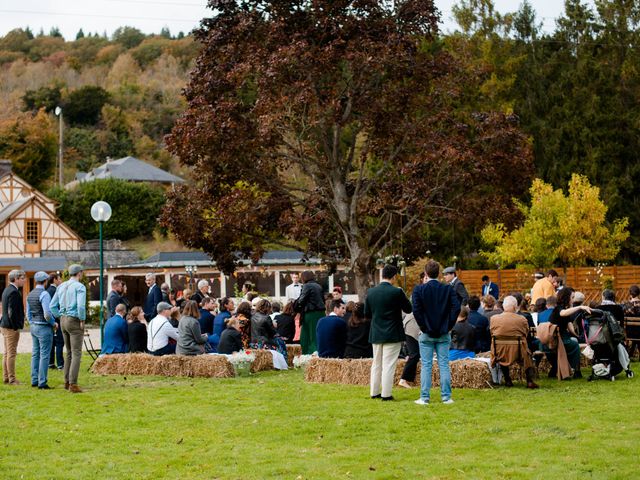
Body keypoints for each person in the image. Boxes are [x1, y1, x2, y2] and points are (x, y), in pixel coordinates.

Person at [412, 260, 460, 405]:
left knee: (426, 365)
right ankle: (446, 397)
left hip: (427, 332)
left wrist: (423, 327)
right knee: (444, 364)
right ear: (439, 273)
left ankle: (424, 397)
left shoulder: (419, 290)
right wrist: (449, 325)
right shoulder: (447, 289)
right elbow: (456, 308)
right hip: (443, 332)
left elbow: (416, 311)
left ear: (426, 273)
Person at [366, 264, 412, 401]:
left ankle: (374, 392)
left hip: (376, 332)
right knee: (388, 365)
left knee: (376, 363)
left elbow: (366, 313)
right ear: (393, 277)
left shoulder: (370, 292)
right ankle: (386, 394)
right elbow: (409, 309)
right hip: (392, 332)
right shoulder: (397, 292)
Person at [50, 264, 86, 393]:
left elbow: (52, 305)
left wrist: (59, 316)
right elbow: (81, 306)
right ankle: (73, 384)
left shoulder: (61, 286)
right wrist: (82, 319)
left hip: (63, 319)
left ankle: (66, 381)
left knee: (69, 352)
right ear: (80, 273)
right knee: (76, 353)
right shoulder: (80, 287)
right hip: (74, 319)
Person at [489, 296, 539, 388]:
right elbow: (525, 333)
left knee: (503, 352)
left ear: (503, 306)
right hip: (519, 352)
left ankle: (508, 380)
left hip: (500, 351)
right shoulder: (522, 319)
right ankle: (529, 381)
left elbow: (492, 332)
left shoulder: (494, 319)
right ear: (515, 306)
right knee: (526, 351)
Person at [550, 287, 589, 378]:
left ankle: (567, 369)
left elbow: (569, 324)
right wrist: (579, 307)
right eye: (572, 297)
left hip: (562, 337)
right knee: (575, 344)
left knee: (575, 340)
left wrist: (578, 335)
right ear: (566, 298)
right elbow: (562, 313)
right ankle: (574, 370)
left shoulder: (564, 308)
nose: (573, 300)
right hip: (556, 339)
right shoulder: (559, 309)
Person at [27, 271, 55, 389]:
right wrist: (54, 323)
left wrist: (31, 323)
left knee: (35, 354)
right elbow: (47, 314)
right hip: (43, 327)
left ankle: (34, 379)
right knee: (44, 355)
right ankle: (42, 382)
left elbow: (28, 313)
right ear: (46, 281)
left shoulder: (30, 294)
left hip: (33, 326)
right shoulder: (44, 294)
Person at [1, 269, 26, 385]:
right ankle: (12, 379)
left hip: (4, 325)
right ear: (16, 279)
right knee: (11, 353)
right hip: (10, 327)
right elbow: (12, 312)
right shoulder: (14, 292)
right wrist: (16, 326)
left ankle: (6, 377)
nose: (24, 280)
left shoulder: (7, 290)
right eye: (22, 278)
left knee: (6, 353)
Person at [295, 270, 325, 354]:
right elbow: (323, 300)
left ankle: (310, 354)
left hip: (311, 313)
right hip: (320, 313)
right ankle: (314, 353)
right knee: (315, 335)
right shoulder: (319, 286)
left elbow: (301, 300)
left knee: (308, 336)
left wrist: (295, 306)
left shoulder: (307, 286)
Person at [398, 312, 421, 388]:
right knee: (414, 354)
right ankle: (403, 379)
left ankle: (406, 380)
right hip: (412, 326)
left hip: (411, 325)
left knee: (415, 354)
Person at [47, 272, 64, 370]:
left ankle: (51, 363)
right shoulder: (55, 291)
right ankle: (61, 364)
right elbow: (56, 306)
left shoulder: (47, 290)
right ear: (54, 280)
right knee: (59, 343)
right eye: (59, 279)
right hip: (56, 320)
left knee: (52, 342)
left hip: (49, 320)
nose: (61, 281)